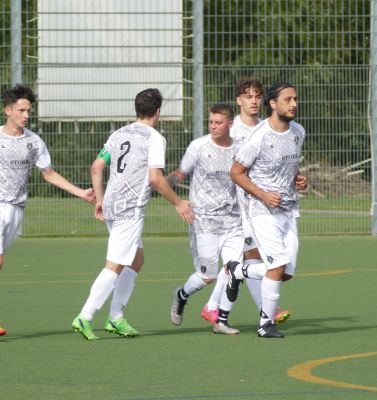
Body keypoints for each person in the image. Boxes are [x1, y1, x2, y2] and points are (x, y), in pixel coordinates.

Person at [72, 88, 193, 340]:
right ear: (158, 111)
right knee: (115, 264)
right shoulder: (155, 138)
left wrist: (100, 200)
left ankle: (116, 317)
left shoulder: (119, 133)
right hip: (129, 208)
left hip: (112, 204)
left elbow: (96, 167)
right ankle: (85, 316)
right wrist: (178, 203)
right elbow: (155, 179)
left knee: (136, 259)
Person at [201, 78, 306, 326]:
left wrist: (297, 178)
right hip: (244, 204)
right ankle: (261, 312)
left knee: (272, 265)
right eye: (249, 96)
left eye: (257, 96)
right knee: (259, 258)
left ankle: (216, 303)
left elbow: (278, 162)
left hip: (273, 205)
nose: (254, 101)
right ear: (238, 100)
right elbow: (226, 167)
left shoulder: (281, 129)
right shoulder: (232, 128)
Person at [0, 84, 95, 337]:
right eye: (21, 110)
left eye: (29, 111)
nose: (26, 115)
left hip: (16, 209)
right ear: (7, 110)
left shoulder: (33, 141)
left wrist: (81, 193)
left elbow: (49, 174)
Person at [169, 104, 242, 335]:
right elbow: (180, 174)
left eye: (218, 122)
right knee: (207, 276)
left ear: (230, 124)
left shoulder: (240, 149)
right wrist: (161, 186)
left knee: (234, 271)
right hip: (203, 222)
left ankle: (221, 321)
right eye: (211, 122)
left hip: (233, 222)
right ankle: (181, 295)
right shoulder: (198, 146)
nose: (213, 126)